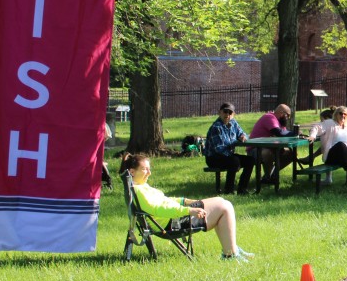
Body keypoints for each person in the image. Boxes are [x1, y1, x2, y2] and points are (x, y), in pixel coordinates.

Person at [121, 153, 253, 262]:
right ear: (132, 172)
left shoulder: (141, 187)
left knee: (221, 201)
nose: (149, 173)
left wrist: (185, 201)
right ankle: (230, 254)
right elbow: (159, 209)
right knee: (225, 207)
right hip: (173, 223)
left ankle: (231, 249)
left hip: (175, 217)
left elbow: (165, 201)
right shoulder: (139, 191)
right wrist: (189, 210)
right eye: (145, 169)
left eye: (149, 169)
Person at [203, 102, 255, 195]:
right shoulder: (216, 127)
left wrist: (243, 136)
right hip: (213, 158)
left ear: (233, 114)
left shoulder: (233, 123)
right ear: (220, 112)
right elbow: (220, 149)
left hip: (227, 155)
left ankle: (242, 189)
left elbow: (243, 134)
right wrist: (236, 157)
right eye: (225, 112)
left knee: (250, 160)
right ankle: (229, 190)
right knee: (234, 161)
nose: (227, 114)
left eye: (230, 112)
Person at [309, 107, 347, 192]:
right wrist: (312, 136)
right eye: (341, 113)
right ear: (336, 114)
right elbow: (316, 127)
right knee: (341, 145)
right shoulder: (330, 123)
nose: (343, 115)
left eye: (345, 114)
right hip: (331, 157)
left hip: (344, 156)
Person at [250, 103, 295, 180]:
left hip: (271, 148)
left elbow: (285, 134)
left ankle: (271, 175)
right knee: (267, 153)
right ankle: (268, 177)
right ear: (282, 113)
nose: (288, 118)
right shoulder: (269, 117)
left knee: (291, 154)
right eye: (288, 115)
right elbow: (279, 133)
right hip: (255, 149)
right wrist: (295, 133)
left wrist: (296, 134)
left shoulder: (280, 122)